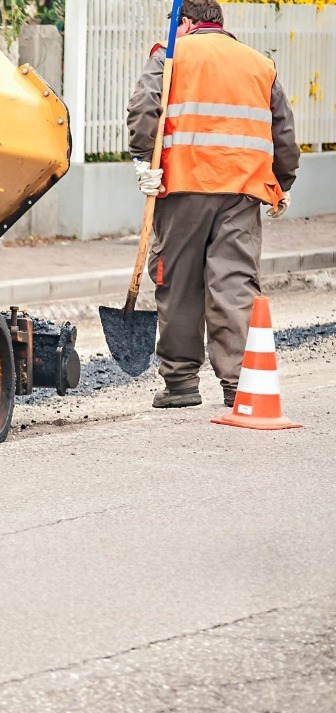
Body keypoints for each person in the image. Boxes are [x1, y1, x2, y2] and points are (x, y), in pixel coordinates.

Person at [126, 0, 300, 408]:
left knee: (178, 284)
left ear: (185, 22)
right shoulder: (259, 64)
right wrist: (282, 181)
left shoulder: (169, 57)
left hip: (184, 185)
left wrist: (141, 159)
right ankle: (238, 384)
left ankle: (181, 384)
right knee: (234, 283)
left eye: (172, 22)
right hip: (242, 191)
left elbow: (142, 111)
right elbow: (284, 131)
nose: (169, 29)